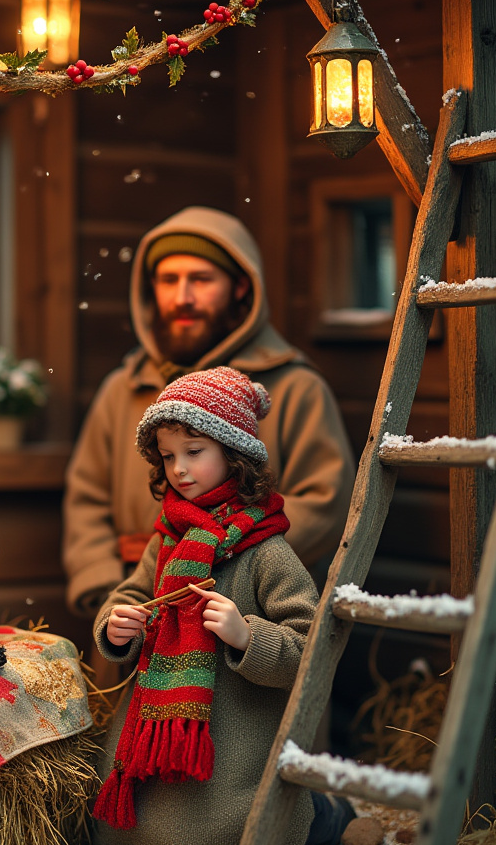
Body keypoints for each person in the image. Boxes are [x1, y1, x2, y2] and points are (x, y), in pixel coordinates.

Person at [90, 367, 354, 845]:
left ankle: (325, 816)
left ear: (235, 455)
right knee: (111, 830)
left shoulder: (266, 551)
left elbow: (310, 646)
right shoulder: (168, 537)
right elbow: (134, 593)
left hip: (230, 748)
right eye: (168, 456)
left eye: (194, 452)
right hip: (157, 733)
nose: (179, 470)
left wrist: (246, 635)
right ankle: (145, 827)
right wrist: (117, 623)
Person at [63, 207, 355, 634]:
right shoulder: (122, 388)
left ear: (240, 287)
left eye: (200, 279)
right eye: (168, 280)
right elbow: (85, 502)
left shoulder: (296, 388)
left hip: (242, 621)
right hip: (142, 617)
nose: (182, 296)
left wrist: (224, 563)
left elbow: (326, 503)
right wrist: (119, 598)